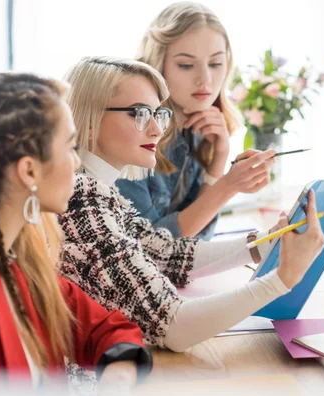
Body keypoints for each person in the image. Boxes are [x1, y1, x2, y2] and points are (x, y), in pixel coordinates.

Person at [60, 56, 324, 353]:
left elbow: (167, 255)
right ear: (89, 120)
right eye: (139, 113)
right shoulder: (82, 201)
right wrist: (281, 279)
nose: (156, 130)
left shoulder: (94, 189)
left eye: (158, 114)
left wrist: (265, 243)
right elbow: (173, 326)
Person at [0, 73, 151, 391]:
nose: (76, 162)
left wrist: (117, 379)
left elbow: (109, 329)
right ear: (29, 171)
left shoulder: (19, 261)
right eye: (70, 148)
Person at [116, 2, 274, 240]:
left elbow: (196, 240)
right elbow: (151, 250)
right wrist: (227, 185)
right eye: (186, 65)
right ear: (158, 66)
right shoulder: (129, 134)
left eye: (215, 63)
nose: (205, 79)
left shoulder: (200, 129)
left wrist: (219, 157)